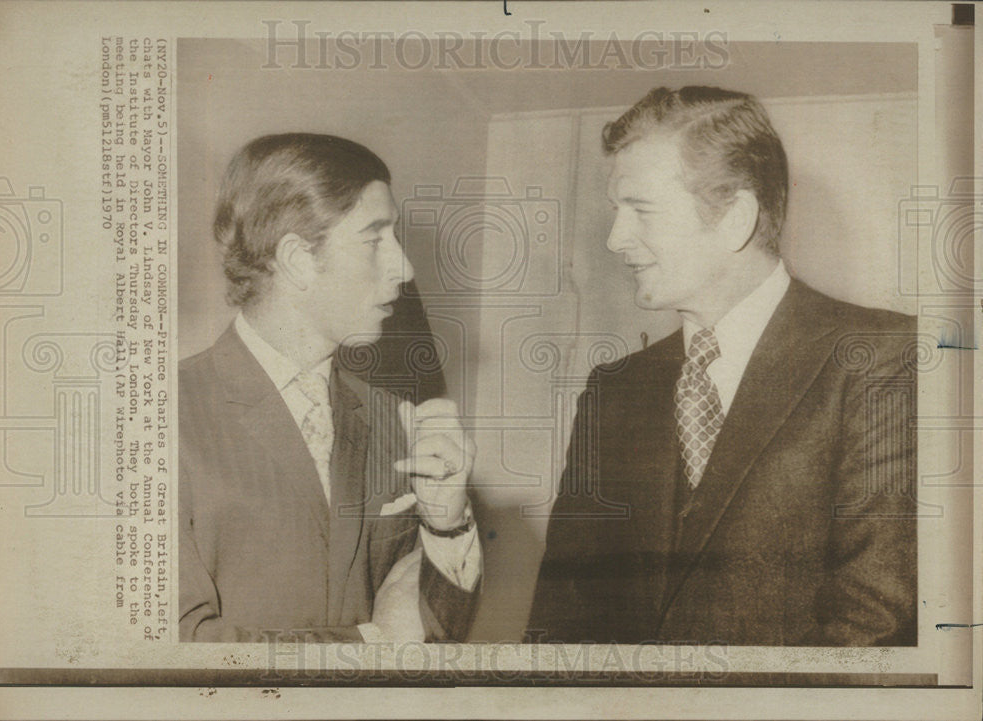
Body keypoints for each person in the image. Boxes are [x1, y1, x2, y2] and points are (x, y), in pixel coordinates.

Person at [527, 87, 917, 646]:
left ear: (736, 217)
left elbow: (874, 624)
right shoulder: (613, 389)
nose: (616, 239)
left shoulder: (884, 360)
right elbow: (559, 620)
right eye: (617, 211)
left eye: (641, 210)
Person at [179, 134, 481, 642]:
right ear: (297, 259)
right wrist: (368, 644)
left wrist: (445, 528)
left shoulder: (391, 416)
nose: (404, 269)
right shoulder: (162, 417)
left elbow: (433, 635)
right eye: (374, 239)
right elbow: (166, 651)